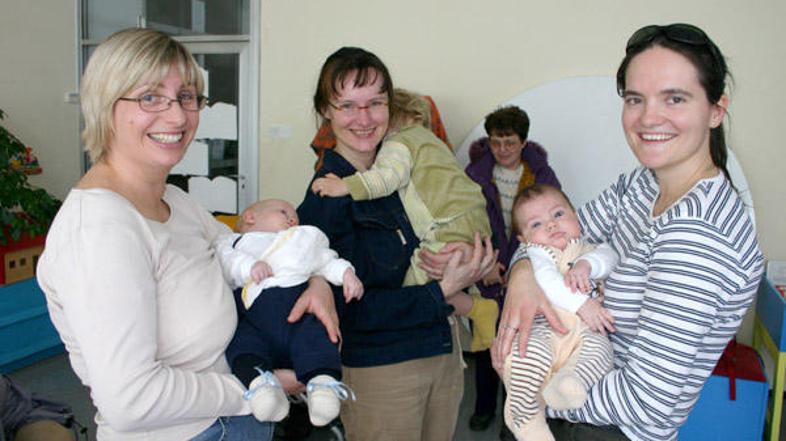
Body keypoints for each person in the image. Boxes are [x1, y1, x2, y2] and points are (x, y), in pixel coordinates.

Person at [36, 28, 337, 441]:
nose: (177, 117)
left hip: (239, 421)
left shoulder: (176, 201)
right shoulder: (100, 230)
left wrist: (317, 281)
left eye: (187, 96)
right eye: (150, 97)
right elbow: (131, 400)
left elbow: (253, 249)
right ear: (106, 106)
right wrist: (257, 389)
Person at [492, 23, 764, 441]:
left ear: (716, 109)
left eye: (675, 98)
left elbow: (647, 402)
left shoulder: (699, 234)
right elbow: (551, 235)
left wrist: (529, 397)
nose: (648, 117)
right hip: (566, 401)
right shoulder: (643, 183)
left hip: (601, 428)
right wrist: (525, 278)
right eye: (635, 99)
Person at [298, 46, 496, 441]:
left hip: (443, 353)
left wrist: (477, 260)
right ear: (326, 110)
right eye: (348, 106)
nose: (365, 119)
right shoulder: (326, 199)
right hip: (384, 371)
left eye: (376, 103)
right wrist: (442, 289)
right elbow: (348, 312)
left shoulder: (400, 170)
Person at [311, 87, 499, 352]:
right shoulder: (433, 143)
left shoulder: (399, 143)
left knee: (412, 284)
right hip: (472, 219)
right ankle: (477, 307)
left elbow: (386, 179)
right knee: (450, 268)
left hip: (446, 224)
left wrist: (345, 186)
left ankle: (478, 309)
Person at [215, 199, 362, 426]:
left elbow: (325, 260)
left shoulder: (300, 240)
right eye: (284, 212)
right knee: (241, 347)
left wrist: (347, 274)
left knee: (321, 337)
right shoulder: (234, 242)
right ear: (250, 217)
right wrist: (248, 266)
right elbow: (225, 261)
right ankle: (263, 391)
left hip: (299, 313)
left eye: (295, 218)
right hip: (256, 318)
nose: (293, 219)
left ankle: (323, 387)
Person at [464, 105, 561, 434]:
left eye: (509, 142)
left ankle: (515, 413)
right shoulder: (474, 174)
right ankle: (483, 408)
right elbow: (465, 225)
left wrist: (524, 266)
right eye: (495, 142)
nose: (502, 149)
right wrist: (486, 265)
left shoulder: (543, 176)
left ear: (523, 142)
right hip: (487, 272)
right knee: (487, 340)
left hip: (529, 273)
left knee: (522, 347)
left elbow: (551, 228)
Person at [501, 184, 617, 441]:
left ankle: (567, 382)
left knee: (601, 354)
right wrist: (582, 305)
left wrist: (587, 265)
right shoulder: (539, 254)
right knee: (529, 354)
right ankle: (524, 414)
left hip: (587, 333)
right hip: (548, 327)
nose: (551, 225)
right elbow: (546, 281)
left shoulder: (591, 248)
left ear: (576, 215)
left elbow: (611, 258)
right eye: (536, 225)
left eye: (558, 215)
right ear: (524, 241)